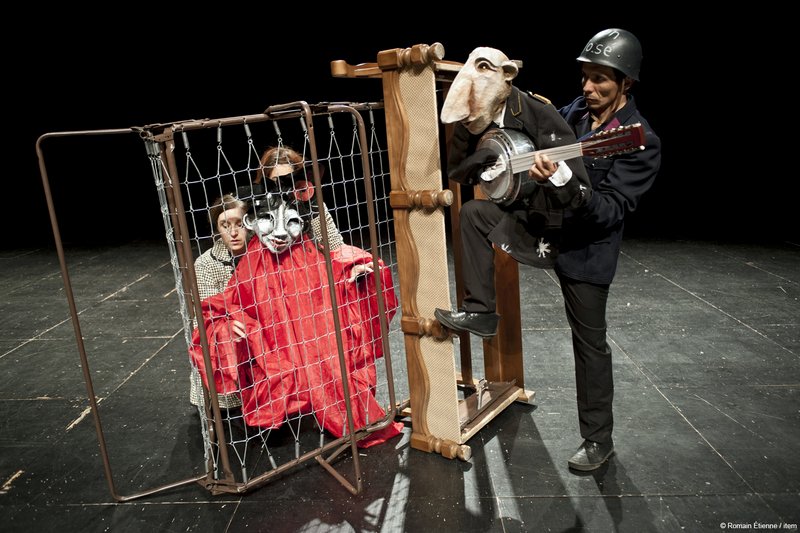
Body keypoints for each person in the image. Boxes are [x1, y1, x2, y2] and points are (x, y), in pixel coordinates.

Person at [189, 145, 403, 448]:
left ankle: (329, 404)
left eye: (291, 181)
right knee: (272, 350)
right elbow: (234, 238)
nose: (285, 189)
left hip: (305, 282)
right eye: (277, 181)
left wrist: (353, 267)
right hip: (264, 284)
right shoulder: (254, 208)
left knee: (321, 348)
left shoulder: (311, 206)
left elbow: (334, 245)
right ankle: (277, 407)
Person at [543, 28, 661, 471]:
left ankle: (598, 441)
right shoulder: (572, 113)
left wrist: (563, 181)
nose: (588, 89)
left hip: (586, 249)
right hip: (542, 229)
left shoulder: (639, 140)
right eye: (585, 78)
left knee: (589, 345)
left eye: (601, 81)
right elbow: (540, 128)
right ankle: (481, 312)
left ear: (626, 83)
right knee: (477, 219)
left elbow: (610, 210)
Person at [435, 46, 592, 337]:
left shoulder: (539, 113)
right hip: (513, 207)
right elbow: (457, 171)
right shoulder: (473, 118)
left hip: (546, 220)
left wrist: (553, 176)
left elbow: (580, 193)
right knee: (471, 213)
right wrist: (481, 161)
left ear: (507, 76)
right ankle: (479, 311)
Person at [189, 193, 248, 409]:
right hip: (225, 346)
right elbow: (206, 315)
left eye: (239, 224)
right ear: (217, 228)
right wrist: (229, 326)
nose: (233, 232)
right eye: (225, 225)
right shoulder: (205, 264)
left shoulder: (260, 254)